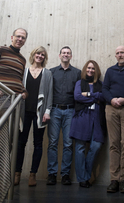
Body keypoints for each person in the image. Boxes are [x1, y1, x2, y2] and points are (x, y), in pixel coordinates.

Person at [14, 46, 53, 187]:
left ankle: (32, 175)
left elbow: (49, 94)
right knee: (21, 143)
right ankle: (17, 173)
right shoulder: (24, 72)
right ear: (33, 54)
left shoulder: (47, 73)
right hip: (24, 112)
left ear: (44, 57)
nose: (40, 56)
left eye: (43, 54)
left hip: (40, 113)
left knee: (38, 144)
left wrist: (47, 111)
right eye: (38, 53)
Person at [102, 46, 124, 193]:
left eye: (122, 52)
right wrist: (112, 99)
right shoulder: (110, 71)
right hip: (111, 108)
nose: (120, 55)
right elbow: (104, 89)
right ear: (115, 56)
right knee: (114, 144)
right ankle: (114, 179)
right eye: (117, 53)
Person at [46, 46, 81, 185]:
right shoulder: (51, 72)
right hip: (54, 111)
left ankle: (65, 174)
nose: (66, 55)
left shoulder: (77, 73)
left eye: (68, 53)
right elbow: (47, 92)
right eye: (64, 53)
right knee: (53, 143)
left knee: (68, 144)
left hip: (70, 111)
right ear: (59, 55)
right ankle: (52, 174)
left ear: (71, 56)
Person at [69, 60, 106, 188]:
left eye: (93, 68)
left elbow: (103, 97)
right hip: (81, 116)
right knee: (79, 148)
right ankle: (82, 179)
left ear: (96, 71)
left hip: (97, 117)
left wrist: (90, 94)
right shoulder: (80, 83)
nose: (90, 70)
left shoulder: (100, 84)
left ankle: (85, 173)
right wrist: (96, 98)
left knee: (96, 145)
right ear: (85, 69)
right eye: (88, 68)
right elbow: (78, 97)